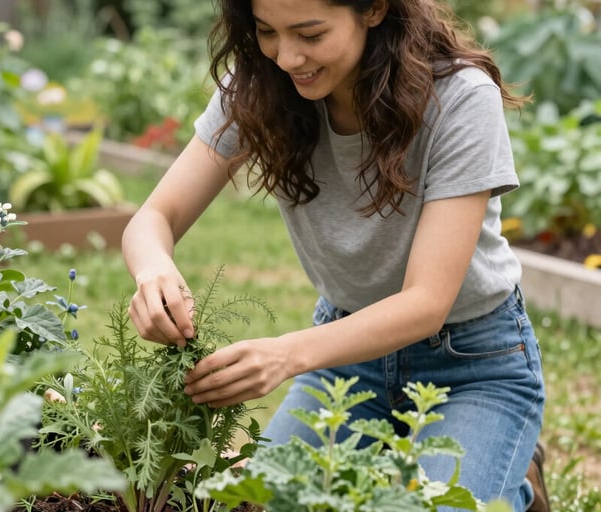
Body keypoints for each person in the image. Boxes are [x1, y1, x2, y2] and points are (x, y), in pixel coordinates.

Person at [121, 1, 549, 510]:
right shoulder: (259, 86)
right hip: (346, 359)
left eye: (310, 34)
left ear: (373, 9)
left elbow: (426, 302)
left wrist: (285, 354)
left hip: (472, 365)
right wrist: (153, 270)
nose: (287, 57)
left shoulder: (460, 98)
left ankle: (515, 478)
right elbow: (155, 217)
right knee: (268, 502)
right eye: (267, 31)